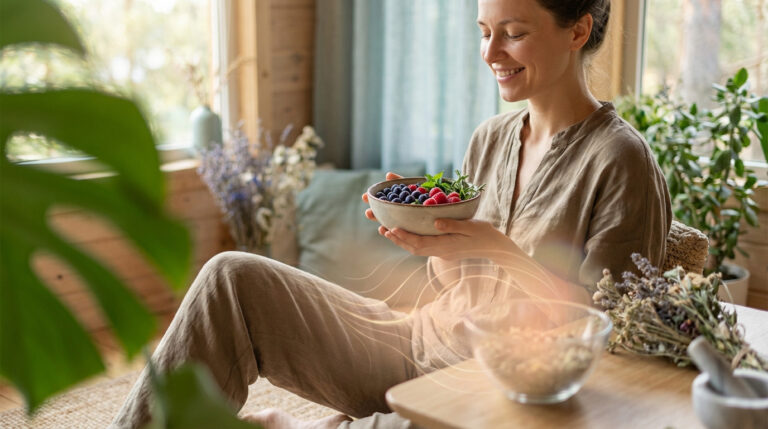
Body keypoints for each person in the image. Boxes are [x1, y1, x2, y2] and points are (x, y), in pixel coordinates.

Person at [110, 0, 670, 428]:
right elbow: (455, 282)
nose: (490, 53)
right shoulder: (491, 139)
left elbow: (612, 332)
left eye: (514, 33)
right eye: (484, 32)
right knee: (230, 277)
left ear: (577, 31)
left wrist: (496, 248)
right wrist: (433, 236)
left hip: (493, 386)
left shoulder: (620, 160)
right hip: (415, 339)